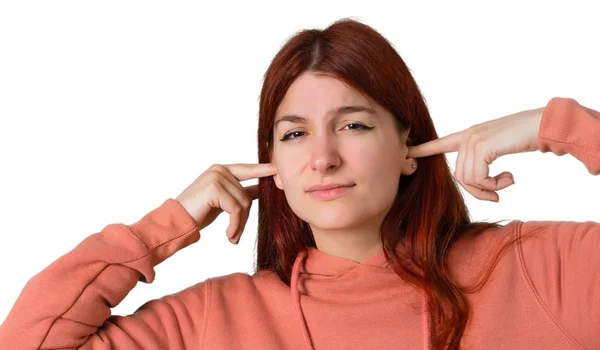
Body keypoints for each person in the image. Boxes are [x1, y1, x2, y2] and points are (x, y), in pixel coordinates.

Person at [0, 18, 598, 350]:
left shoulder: (535, 271)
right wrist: (169, 224)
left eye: (354, 125)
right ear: (274, 172)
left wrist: (550, 127)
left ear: (410, 150)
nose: (323, 158)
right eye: (293, 136)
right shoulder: (216, 320)